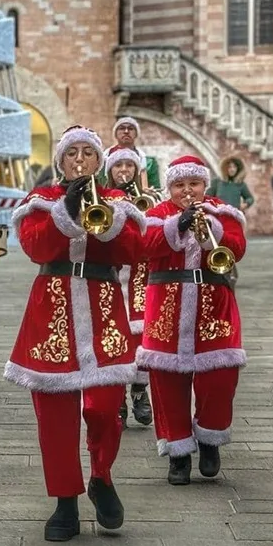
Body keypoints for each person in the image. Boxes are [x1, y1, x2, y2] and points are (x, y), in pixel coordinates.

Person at [4, 126, 146, 542]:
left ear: (99, 161)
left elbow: (133, 251)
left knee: (104, 407)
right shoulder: (40, 201)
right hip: (52, 307)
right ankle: (65, 499)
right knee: (54, 414)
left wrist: (106, 221)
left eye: (88, 153)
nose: (80, 160)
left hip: (103, 304)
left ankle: (101, 475)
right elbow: (36, 249)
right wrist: (66, 210)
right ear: (61, 162)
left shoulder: (118, 201)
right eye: (72, 154)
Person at [138, 155, 247, 486]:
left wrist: (209, 227)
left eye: (194, 184)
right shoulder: (156, 215)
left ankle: (211, 439)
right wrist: (179, 223)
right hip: (166, 305)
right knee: (166, 380)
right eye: (179, 185)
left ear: (205, 185)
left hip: (214, 303)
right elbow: (143, 246)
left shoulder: (224, 212)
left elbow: (237, 248)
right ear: (170, 187)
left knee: (220, 377)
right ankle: (178, 452)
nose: (187, 191)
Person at [102, 145, 154, 428]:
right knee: (114, 337)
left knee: (142, 337)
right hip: (111, 275)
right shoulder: (100, 197)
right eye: (118, 166)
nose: (124, 171)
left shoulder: (149, 198)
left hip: (140, 276)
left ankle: (139, 390)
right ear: (109, 169)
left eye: (129, 166)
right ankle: (119, 396)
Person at [111, 117, 162, 190]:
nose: (126, 131)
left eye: (130, 128)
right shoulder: (104, 159)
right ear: (115, 134)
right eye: (122, 128)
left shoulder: (149, 162)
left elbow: (156, 189)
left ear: (136, 134)